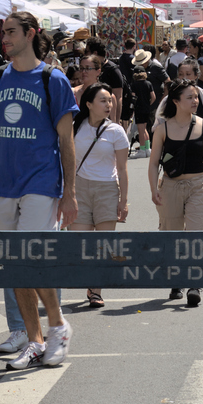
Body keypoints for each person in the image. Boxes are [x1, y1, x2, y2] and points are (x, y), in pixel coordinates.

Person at [0, 11, 79, 370]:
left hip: (41, 181)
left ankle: (58, 327)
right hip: (0, 183)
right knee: (12, 265)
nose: (4, 38)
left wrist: (69, 191)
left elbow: (66, 139)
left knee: (31, 258)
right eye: (2, 32)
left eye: (11, 32)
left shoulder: (51, 79)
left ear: (31, 33)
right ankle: (35, 339)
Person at [149, 79, 203, 307]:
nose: (195, 101)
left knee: (196, 233)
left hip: (197, 185)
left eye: (196, 97)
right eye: (189, 97)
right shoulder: (162, 129)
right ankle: (176, 279)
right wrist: (154, 190)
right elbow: (153, 164)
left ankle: (194, 283)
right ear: (176, 101)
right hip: (169, 186)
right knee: (172, 235)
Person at [71, 83, 131, 309]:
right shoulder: (76, 126)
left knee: (103, 244)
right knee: (82, 245)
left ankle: (96, 290)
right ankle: (90, 282)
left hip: (107, 188)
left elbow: (123, 169)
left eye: (110, 100)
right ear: (88, 104)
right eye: (103, 101)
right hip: (79, 188)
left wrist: (123, 201)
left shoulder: (116, 130)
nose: (108, 104)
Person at [154, 59, 203, 134]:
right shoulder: (168, 99)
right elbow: (158, 125)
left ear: (196, 75)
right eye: (181, 74)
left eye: (188, 74)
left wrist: (199, 128)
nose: (184, 77)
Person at [128, 57, 156, 158]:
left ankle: (142, 149)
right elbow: (153, 97)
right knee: (144, 129)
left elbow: (133, 97)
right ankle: (148, 149)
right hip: (146, 108)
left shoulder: (134, 85)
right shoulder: (148, 83)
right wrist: (149, 104)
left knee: (140, 130)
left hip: (139, 108)